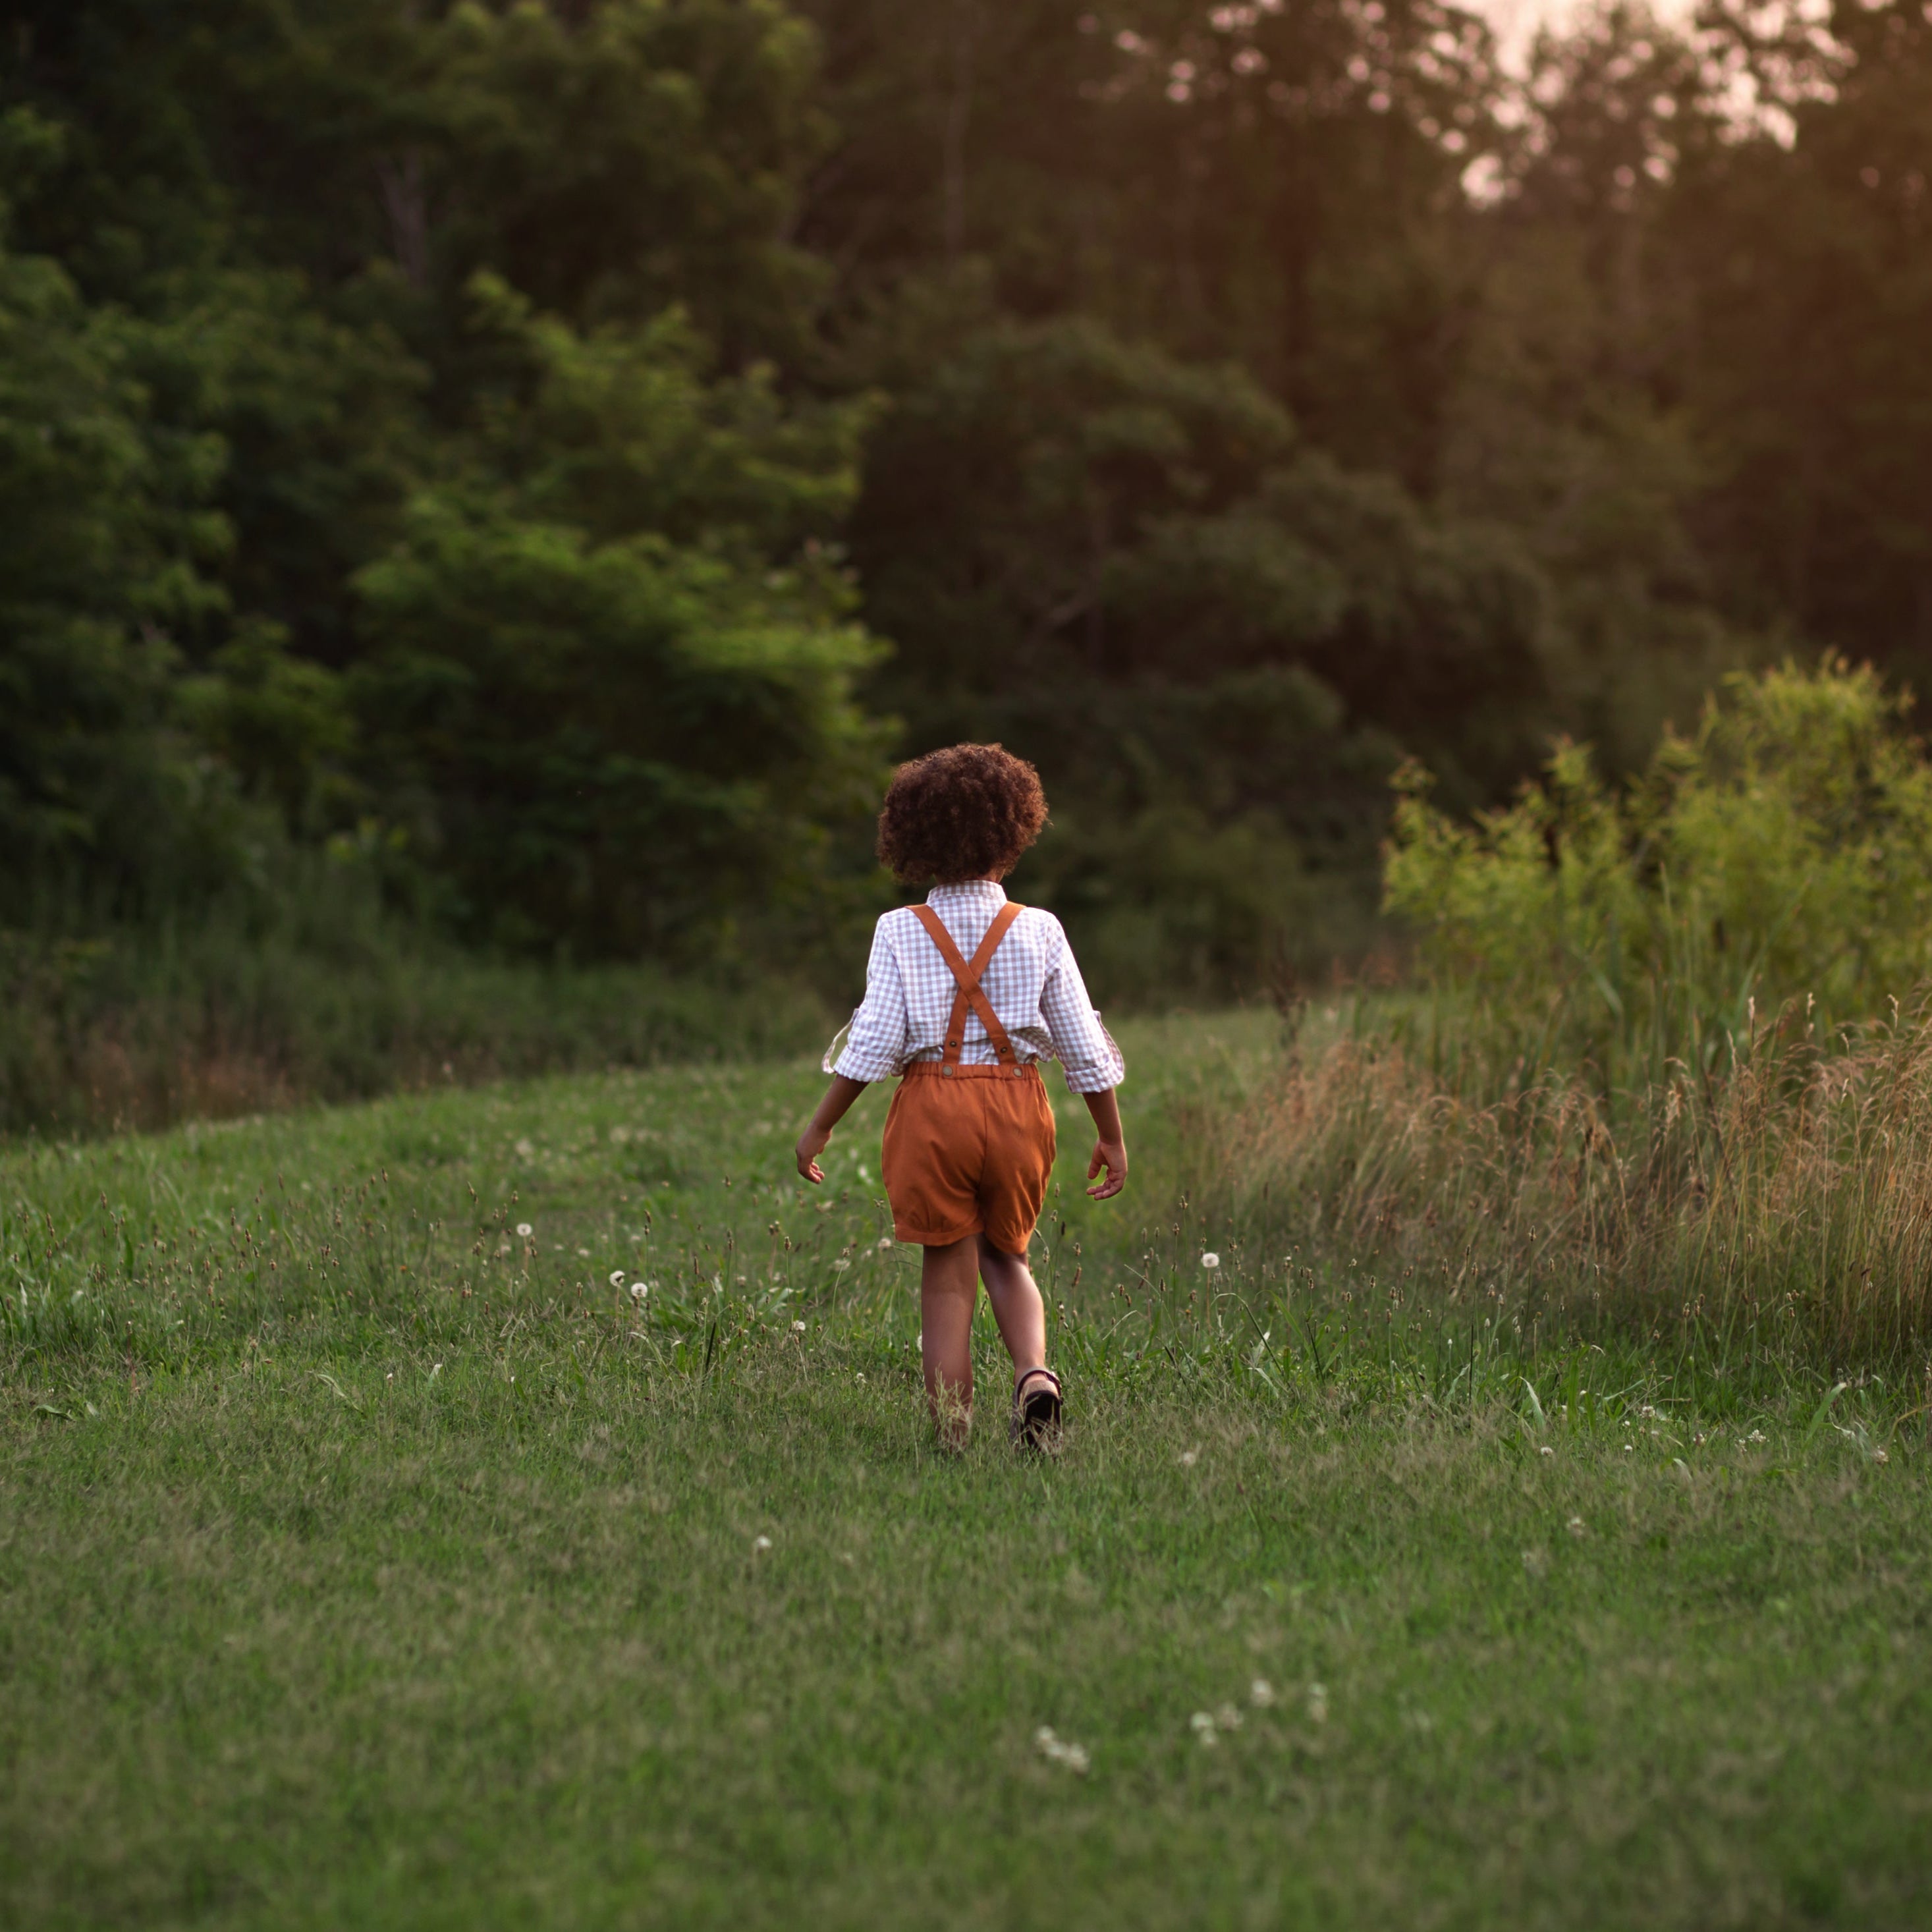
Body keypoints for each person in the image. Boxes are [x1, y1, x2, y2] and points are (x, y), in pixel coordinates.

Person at [794, 743, 1128, 1449]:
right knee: (1007, 1255)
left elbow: (875, 1039)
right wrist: (1111, 1135)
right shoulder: (1039, 928)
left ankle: (951, 1434)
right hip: (1015, 1106)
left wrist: (820, 1125)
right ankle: (1035, 1375)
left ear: (912, 840)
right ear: (1013, 834)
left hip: (931, 1110)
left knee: (946, 1275)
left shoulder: (897, 929)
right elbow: (1081, 1043)